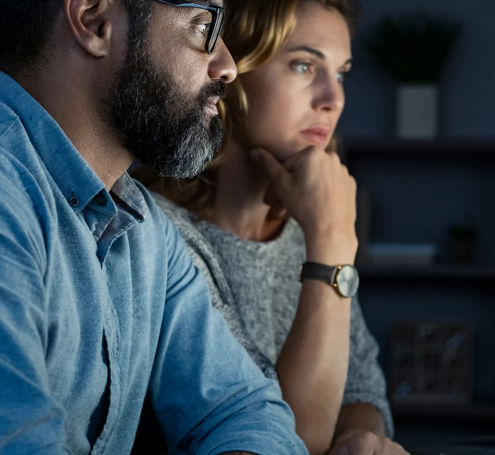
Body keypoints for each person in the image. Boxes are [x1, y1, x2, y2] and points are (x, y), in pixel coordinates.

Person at [0, 0, 311, 454]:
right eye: (203, 25)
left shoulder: (147, 232)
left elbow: (246, 409)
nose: (228, 66)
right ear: (94, 21)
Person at [139, 1, 404, 454]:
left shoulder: (306, 235)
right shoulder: (161, 235)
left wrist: (360, 441)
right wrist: (334, 244)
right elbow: (283, 439)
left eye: (340, 73)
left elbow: (362, 391)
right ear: (231, 68)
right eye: (304, 66)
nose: (333, 98)